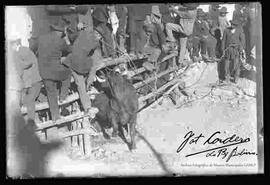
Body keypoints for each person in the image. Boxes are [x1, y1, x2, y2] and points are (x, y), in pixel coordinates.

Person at [63, 10, 101, 116]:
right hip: (75, 64)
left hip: (72, 60)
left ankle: (87, 105)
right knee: (81, 85)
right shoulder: (94, 43)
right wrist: (90, 80)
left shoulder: (81, 34)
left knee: (81, 84)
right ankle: (87, 107)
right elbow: (93, 65)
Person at [36, 24, 72, 122]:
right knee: (68, 74)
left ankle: (55, 117)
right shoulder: (60, 41)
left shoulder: (41, 38)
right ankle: (62, 96)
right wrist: (67, 39)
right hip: (55, 72)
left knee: (51, 93)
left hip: (43, 72)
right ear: (62, 32)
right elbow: (70, 49)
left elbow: (35, 49)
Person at [10, 38, 42, 124]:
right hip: (30, 81)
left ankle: (31, 121)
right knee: (27, 100)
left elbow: (29, 63)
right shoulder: (19, 52)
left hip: (33, 81)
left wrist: (19, 65)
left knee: (28, 101)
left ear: (15, 44)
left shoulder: (22, 51)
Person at [142, 6, 168, 72]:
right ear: (151, 15)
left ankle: (155, 64)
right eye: (156, 16)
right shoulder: (143, 25)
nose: (157, 19)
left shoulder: (157, 26)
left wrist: (163, 44)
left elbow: (161, 35)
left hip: (153, 46)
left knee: (164, 50)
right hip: (144, 47)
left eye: (158, 17)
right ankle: (148, 63)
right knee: (157, 51)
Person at [221, 18, 246, 83]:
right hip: (228, 50)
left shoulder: (239, 31)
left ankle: (236, 77)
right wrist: (223, 49)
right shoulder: (226, 30)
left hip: (236, 50)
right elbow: (223, 40)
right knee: (226, 65)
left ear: (236, 25)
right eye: (232, 24)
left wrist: (241, 48)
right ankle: (227, 77)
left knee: (236, 65)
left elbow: (242, 40)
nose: (232, 25)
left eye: (234, 25)